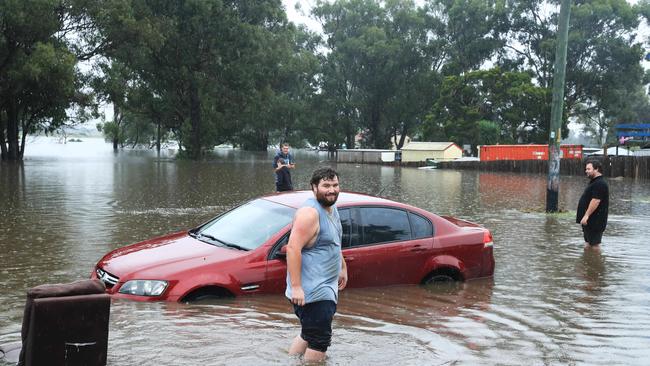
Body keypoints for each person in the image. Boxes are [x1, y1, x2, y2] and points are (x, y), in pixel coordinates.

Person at [285, 167, 348, 362]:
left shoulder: (332, 207)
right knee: (319, 341)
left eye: (335, 185)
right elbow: (292, 249)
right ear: (314, 187)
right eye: (326, 185)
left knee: (308, 334)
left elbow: (334, 241)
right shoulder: (310, 214)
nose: (332, 190)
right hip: (312, 293)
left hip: (325, 288)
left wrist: (342, 267)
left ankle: (290, 360)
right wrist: (296, 287)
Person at [576, 160, 609, 251]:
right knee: (588, 243)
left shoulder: (600, 183)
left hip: (595, 220)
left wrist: (586, 216)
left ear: (596, 169)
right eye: (586, 169)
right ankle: (588, 263)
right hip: (589, 221)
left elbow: (596, 201)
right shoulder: (594, 182)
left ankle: (596, 264)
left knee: (595, 245)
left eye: (588, 169)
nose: (586, 171)